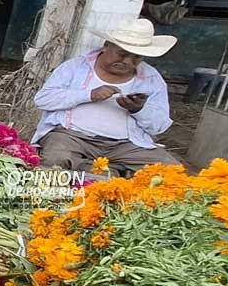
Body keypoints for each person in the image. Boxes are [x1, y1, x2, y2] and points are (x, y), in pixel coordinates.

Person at [32, 18, 181, 177]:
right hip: (73, 136)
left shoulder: (151, 78)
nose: (127, 61)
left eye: (136, 57)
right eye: (122, 54)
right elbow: (43, 99)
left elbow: (160, 125)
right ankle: (104, 171)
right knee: (55, 159)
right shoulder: (75, 67)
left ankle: (97, 169)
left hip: (126, 145)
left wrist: (139, 109)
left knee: (172, 172)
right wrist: (89, 95)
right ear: (106, 46)